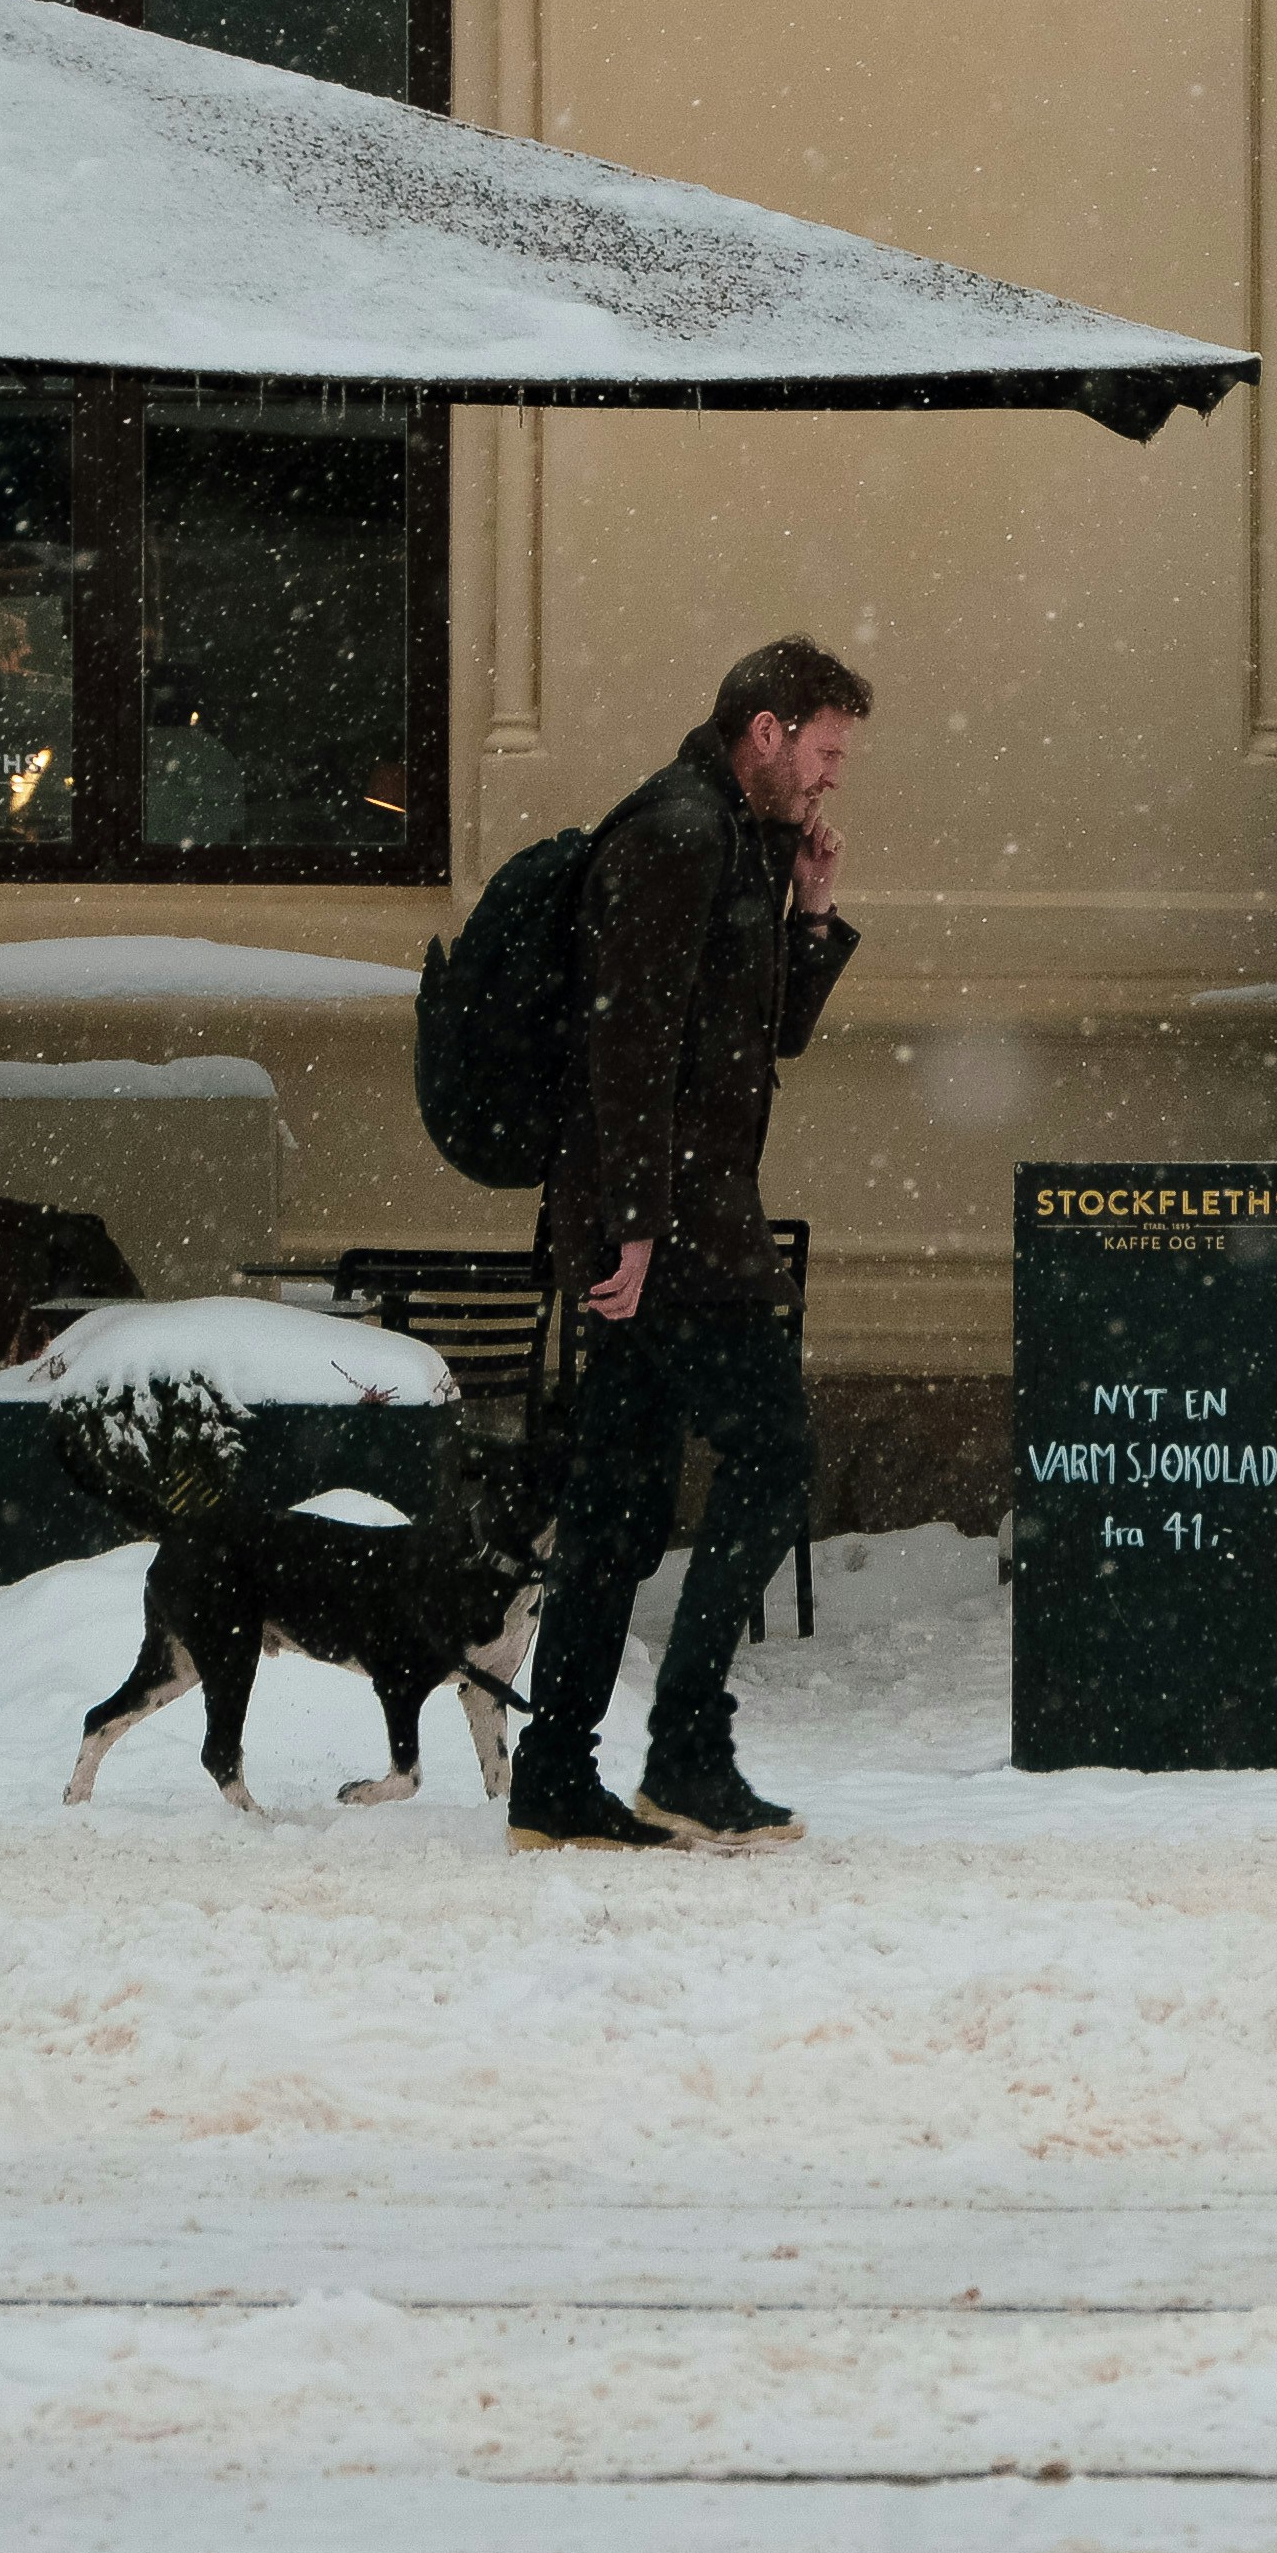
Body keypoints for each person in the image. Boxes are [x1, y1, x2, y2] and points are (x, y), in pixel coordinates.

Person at [508, 635, 870, 1852]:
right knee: (771, 1459)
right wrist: (638, 1229)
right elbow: (627, 1046)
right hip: (676, 1234)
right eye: (822, 753)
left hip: (674, 1223)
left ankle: (556, 1779)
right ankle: (683, 1755)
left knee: (616, 1507)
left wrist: (810, 911)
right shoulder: (675, 835)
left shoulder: (731, 840)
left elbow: (757, 1040)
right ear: (762, 732)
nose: (829, 779)